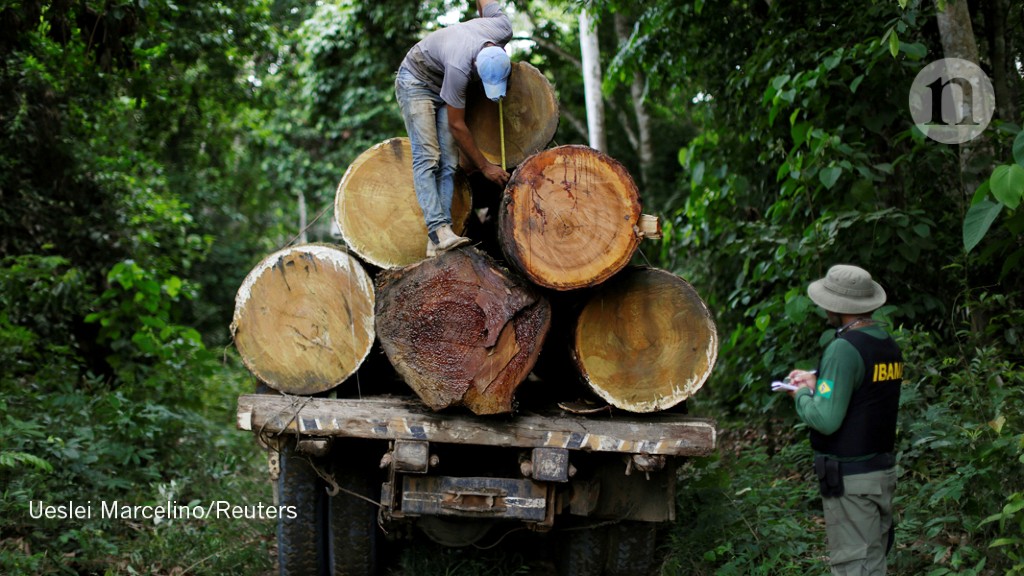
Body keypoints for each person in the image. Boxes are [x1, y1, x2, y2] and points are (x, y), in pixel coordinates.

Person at [786, 264, 904, 575]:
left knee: (855, 567)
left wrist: (800, 396)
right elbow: (860, 394)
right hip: (880, 474)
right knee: (873, 561)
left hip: (852, 482)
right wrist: (817, 384)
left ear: (836, 306)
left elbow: (825, 419)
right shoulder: (885, 344)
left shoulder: (843, 348)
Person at [395, 0, 512, 257]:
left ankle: (437, 241)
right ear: (476, 68)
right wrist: (485, 167)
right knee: (429, 157)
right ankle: (438, 230)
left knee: (449, 162)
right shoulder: (460, 67)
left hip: (443, 81)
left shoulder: (502, 27)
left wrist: (480, 14)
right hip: (417, 81)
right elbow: (457, 126)